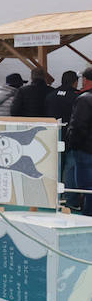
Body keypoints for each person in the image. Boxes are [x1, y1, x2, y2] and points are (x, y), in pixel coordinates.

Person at [65, 66, 92, 216]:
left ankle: (88, 217)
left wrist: (72, 145)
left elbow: (78, 126)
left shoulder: (84, 99)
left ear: (86, 80)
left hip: (85, 150)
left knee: (86, 187)